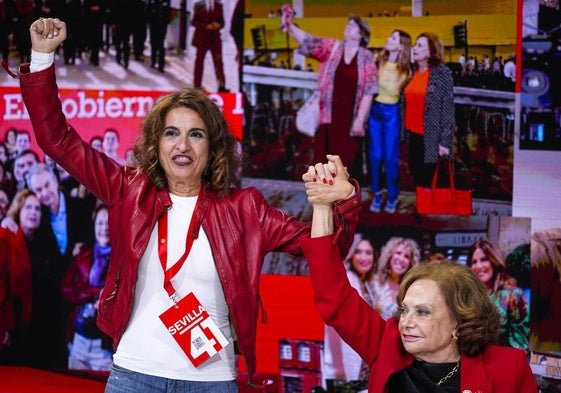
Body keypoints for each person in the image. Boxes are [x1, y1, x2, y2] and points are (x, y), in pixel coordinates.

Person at [18, 17, 360, 391]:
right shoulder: (127, 189)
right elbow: (57, 141)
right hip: (133, 375)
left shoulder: (245, 208)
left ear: (212, 147)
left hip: (211, 382)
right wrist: (42, 60)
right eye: (171, 133)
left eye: (195, 134)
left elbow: (327, 248)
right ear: (156, 143)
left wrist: (339, 202)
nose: (182, 145)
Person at [298, 164, 537, 392]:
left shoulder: (509, 367)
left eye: (422, 311)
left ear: (458, 320)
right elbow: (334, 296)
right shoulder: (388, 347)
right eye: (404, 310)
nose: (406, 322)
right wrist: (321, 207)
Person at [282, 6, 378, 181]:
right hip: (329, 117)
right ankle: (324, 201)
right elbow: (309, 41)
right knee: (324, 163)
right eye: (348, 24)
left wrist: (359, 120)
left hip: (351, 119)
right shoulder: (333, 47)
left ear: (362, 34)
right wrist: (290, 26)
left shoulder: (367, 57)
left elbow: (369, 91)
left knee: (345, 164)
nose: (348, 26)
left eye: (354, 25)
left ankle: (342, 202)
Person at [61, 204, 113, 371]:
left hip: (104, 346)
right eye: (99, 223)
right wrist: (96, 292)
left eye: (108, 222)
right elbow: (66, 289)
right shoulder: (83, 255)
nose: (104, 228)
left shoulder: (122, 259)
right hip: (79, 340)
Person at [322, 233, 376, 385]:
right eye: (358, 252)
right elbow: (333, 325)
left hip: (362, 362)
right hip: (345, 363)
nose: (364, 257)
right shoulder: (347, 279)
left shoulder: (364, 283)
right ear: (351, 255)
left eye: (368, 252)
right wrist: (339, 366)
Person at [403, 32, 454, 189]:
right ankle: (421, 208)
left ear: (431, 51)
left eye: (419, 46)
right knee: (416, 175)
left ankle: (428, 211)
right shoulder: (416, 72)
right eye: (415, 45)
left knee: (427, 180)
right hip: (414, 135)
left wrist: (444, 142)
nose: (414, 48)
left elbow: (447, 109)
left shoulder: (441, 73)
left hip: (431, 137)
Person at [368, 30, 411, 213]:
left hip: (392, 113)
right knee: (375, 156)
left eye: (393, 38)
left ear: (401, 45)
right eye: (389, 36)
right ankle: (377, 192)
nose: (388, 38)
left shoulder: (406, 70)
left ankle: (392, 195)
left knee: (390, 158)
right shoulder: (378, 61)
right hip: (374, 111)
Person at [467, 239, 529, 350]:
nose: (479, 266)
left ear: (494, 261)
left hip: (503, 364)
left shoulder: (514, 295)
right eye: (474, 262)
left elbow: (521, 345)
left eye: (484, 259)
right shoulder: (467, 297)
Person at [372, 236, 420, 320]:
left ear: (411, 263)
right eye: (398, 253)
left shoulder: (410, 289)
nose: (401, 259)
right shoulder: (374, 282)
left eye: (406, 256)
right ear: (389, 256)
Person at [191, 0, 228, 92]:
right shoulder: (198, 5)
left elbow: (222, 22)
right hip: (202, 39)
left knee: (219, 63)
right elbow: (193, 22)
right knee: (199, 62)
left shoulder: (219, 5)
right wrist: (206, 26)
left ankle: (221, 86)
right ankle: (197, 85)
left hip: (215, 40)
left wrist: (218, 25)